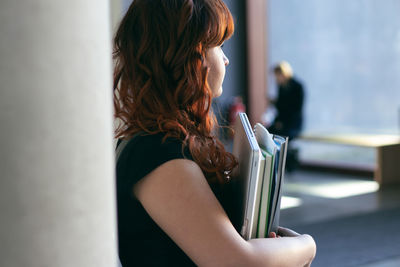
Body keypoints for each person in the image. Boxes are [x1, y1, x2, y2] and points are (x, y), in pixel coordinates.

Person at [113, 1, 316, 266]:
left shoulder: (159, 143)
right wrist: (306, 245)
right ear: (188, 56)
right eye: (218, 46)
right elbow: (237, 262)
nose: (226, 58)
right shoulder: (159, 153)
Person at [268, 61, 305, 140]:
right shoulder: (281, 87)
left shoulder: (298, 87)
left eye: (278, 75)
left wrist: (282, 123)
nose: (276, 78)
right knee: (267, 133)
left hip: (292, 124)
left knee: (282, 137)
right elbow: (281, 107)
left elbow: (296, 109)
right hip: (282, 121)